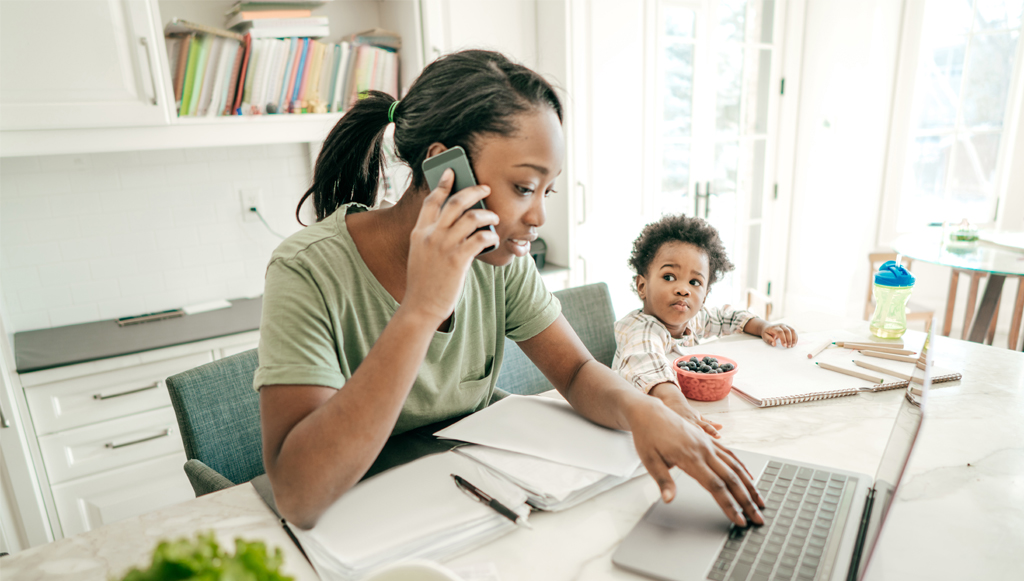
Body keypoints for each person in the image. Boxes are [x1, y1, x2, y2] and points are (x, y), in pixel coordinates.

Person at [254, 50, 764, 531]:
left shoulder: (496, 260)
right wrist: (422, 310)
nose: (539, 217)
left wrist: (644, 411)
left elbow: (577, 370)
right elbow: (300, 495)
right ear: (443, 170)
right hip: (359, 523)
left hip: (468, 504)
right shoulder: (307, 270)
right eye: (524, 188)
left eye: (548, 190)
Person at [613, 214, 798, 433]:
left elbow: (725, 316)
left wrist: (763, 327)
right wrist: (675, 402)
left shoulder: (695, 318)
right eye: (669, 277)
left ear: (705, 296)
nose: (683, 289)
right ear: (642, 286)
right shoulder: (641, 328)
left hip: (678, 411)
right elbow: (646, 360)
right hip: (634, 424)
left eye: (694, 282)